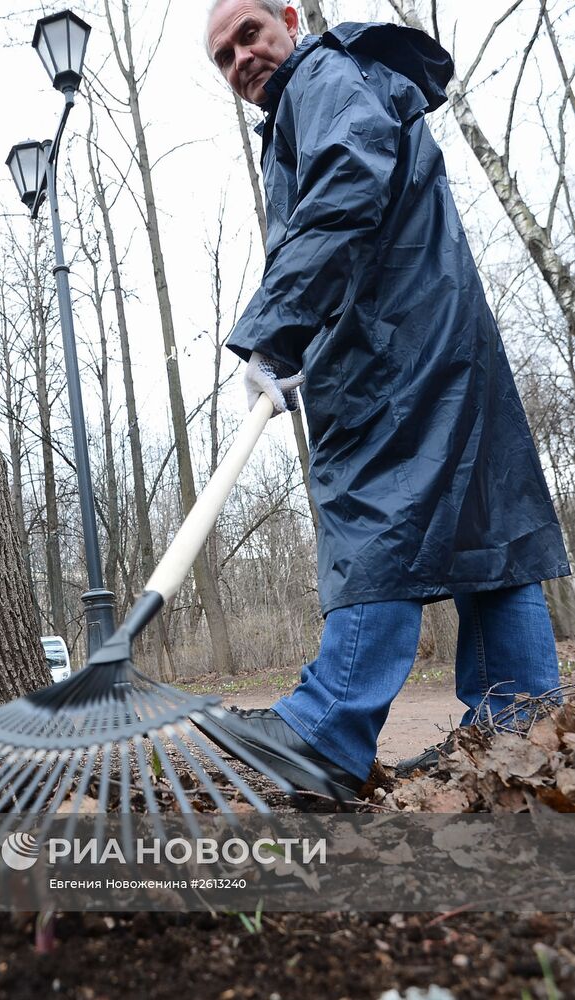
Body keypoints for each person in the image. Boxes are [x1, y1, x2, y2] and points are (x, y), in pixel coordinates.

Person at [200, 0, 571, 804]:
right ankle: (521, 731)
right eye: (223, 58)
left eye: (248, 35)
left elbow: (347, 181)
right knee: (490, 532)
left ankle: (324, 731)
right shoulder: (347, 79)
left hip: (391, 356)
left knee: (375, 517)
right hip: (441, 340)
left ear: (288, 20)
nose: (241, 60)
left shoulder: (322, 76)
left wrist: (279, 329)